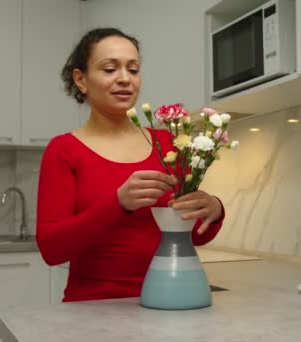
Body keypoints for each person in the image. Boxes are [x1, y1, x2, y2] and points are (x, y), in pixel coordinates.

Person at [36, 28, 225, 302]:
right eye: (110, 69)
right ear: (81, 80)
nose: (125, 79)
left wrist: (214, 209)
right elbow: (52, 249)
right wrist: (118, 204)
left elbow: (193, 235)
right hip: (92, 308)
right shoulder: (64, 150)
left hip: (170, 300)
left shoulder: (169, 144)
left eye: (133, 69)